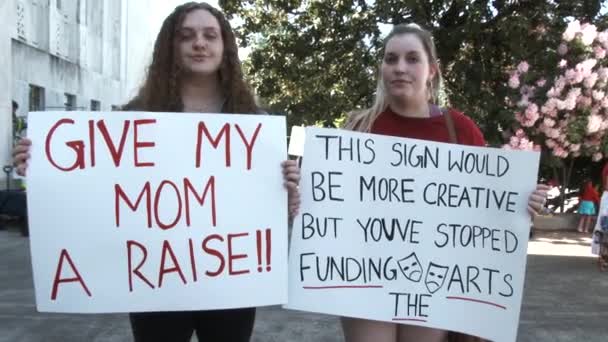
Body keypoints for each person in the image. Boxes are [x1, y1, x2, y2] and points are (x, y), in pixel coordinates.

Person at [12, 2, 300, 341]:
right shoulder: (134, 118)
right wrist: (41, 163)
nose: (199, 43)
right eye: (186, 36)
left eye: (210, 35)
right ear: (171, 47)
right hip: (155, 280)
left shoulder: (254, 124)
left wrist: (288, 192)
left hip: (230, 282)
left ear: (225, 48)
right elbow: (95, 191)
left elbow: (268, 211)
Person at [342, 23, 549, 342]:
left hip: (434, 279)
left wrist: (523, 201)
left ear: (432, 70)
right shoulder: (358, 127)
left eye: (412, 58)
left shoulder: (462, 131)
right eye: (390, 59)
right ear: (381, 68)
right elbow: (331, 201)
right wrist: (296, 186)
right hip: (366, 274)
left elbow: (485, 208)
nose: (399, 68)